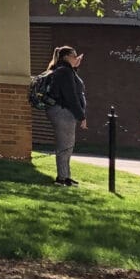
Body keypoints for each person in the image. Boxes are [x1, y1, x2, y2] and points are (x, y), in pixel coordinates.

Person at [42, 45, 88, 186]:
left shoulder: (66, 71)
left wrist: (75, 67)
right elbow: (71, 96)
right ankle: (61, 178)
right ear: (66, 57)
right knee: (65, 145)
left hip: (62, 111)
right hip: (63, 111)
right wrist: (81, 116)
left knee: (68, 144)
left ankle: (66, 176)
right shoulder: (64, 72)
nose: (76, 58)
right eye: (74, 56)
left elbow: (73, 87)